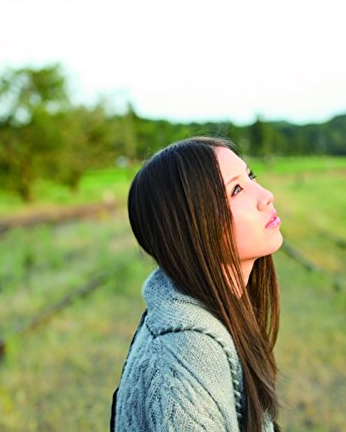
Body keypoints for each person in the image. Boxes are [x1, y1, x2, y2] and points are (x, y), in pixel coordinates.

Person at [111, 136, 283, 432]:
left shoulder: (212, 318)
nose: (266, 195)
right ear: (191, 227)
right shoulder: (185, 358)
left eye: (251, 176)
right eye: (236, 190)